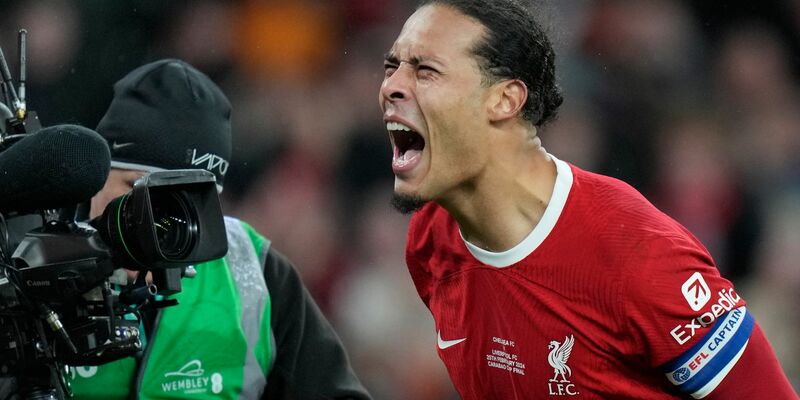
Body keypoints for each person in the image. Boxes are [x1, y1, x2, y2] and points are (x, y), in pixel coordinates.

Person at [379, 1, 798, 399]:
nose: (390, 87)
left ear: (504, 100)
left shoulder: (636, 253)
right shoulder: (430, 240)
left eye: (426, 70)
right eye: (391, 67)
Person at [69, 59, 371, 399]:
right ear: (94, 178)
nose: (153, 224)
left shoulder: (253, 272)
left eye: (181, 203)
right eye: (135, 190)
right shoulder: (36, 264)